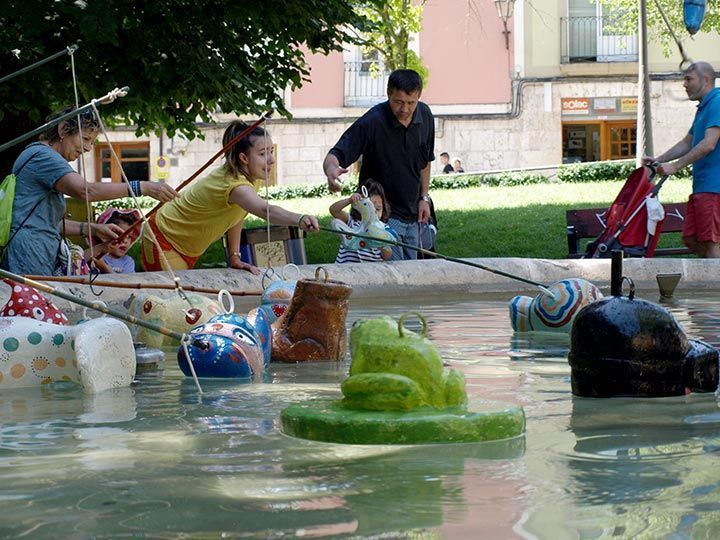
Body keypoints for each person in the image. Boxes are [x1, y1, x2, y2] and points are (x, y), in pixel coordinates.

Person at [2, 106, 178, 276]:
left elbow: (47, 224)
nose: (88, 148)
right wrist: (142, 187)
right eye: (85, 139)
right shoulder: (43, 156)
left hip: (35, 250)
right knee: (32, 303)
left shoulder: (39, 155)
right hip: (30, 253)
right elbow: (86, 191)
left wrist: (92, 229)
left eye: (92, 142)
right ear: (63, 130)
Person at [140, 120, 319, 273]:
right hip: (163, 238)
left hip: (186, 246)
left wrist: (234, 256)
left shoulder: (249, 178)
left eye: (271, 151)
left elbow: (236, 216)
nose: (271, 159)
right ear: (244, 158)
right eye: (264, 154)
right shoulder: (236, 186)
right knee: (174, 302)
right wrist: (300, 219)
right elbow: (266, 210)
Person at [323, 69, 435, 261]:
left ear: (419, 97)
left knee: (414, 276)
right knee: (396, 278)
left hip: (414, 213)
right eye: (398, 102)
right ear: (388, 93)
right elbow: (336, 153)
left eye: (411, 103)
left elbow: (425, 161)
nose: (405, 109)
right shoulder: (372, 121)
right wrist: (331, 171)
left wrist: (424, 197)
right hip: (382, 215)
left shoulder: (425, 115)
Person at [645, 61, 720, 258]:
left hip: (715, 188)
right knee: (692, 239)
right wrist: (658, 160)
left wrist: (675, 166)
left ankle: (713, 287)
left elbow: (709, 143)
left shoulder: (718, 101)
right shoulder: (704, 107)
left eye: (688, 79)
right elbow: (687, 142)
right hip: (702, 188)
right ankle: (711, 282)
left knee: (711, 242)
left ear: (705, 80)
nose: (684, 84)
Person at [329, 180, 392, 263]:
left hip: (371, 271)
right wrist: (349, 200)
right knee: (335, 222)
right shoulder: (351, 221)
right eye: (370, 209)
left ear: (383, 209)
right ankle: (349, 241)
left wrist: (383, 245)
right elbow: (334, 210)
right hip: (347, 269)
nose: (374, 213)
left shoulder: (383, 228)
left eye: (378, 209)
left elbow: (387, 256)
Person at [89, 208, 141, 273]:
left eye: (129, 237)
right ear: (105, 236)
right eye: (120, 235)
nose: (125, 241)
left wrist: (104, 268)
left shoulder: (127, 261)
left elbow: (126, 282)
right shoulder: (94, 255)